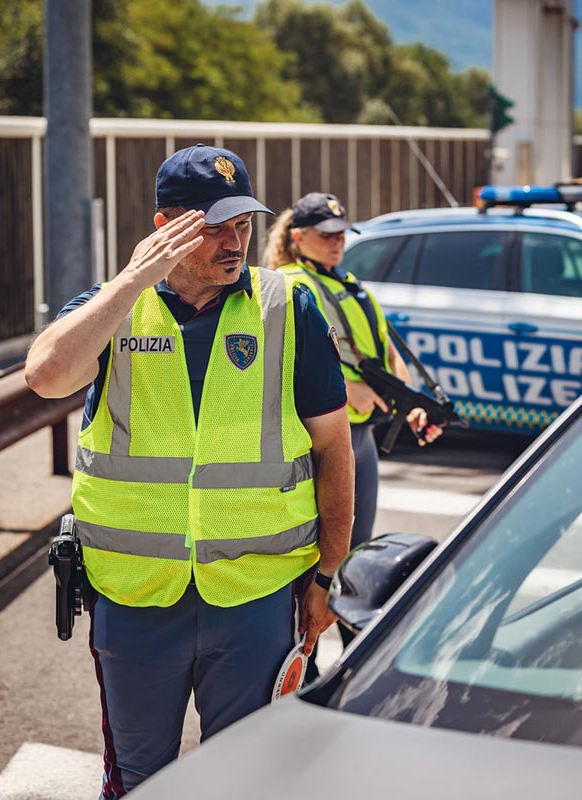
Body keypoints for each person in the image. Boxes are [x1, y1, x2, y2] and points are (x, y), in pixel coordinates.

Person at [24, 144, 353, 798]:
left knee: (244, 781)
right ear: (164, 229)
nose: (234, 241)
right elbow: (45, 377)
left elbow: (333, 449)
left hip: (255, 599)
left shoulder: (289, 308)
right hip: (137, 597)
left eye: (244, 223)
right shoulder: (114, 310)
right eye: (213, 226)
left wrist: (326, 575)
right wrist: (130, 282)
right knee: (141, 781)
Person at [266, 192, 442, 641]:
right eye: (326, 235)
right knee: (310, 561)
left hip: (359, 437)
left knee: (354, 559)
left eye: (342, 234)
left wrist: (412, 405)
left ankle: (349, 659)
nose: (337, 243)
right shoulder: (288, 285)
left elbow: (385, 355)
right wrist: (350, 391)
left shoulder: (350, 282)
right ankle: (296, 667)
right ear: (298, 236)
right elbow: (287, 364)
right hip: (317, 437)